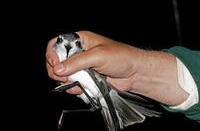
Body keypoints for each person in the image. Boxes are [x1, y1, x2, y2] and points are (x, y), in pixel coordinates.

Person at [46, 31, 200, 123]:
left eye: (76, 44)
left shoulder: (86, 59)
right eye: (61, 41)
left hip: (102, 92)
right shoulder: (62, 57)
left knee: (93, 101)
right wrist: (136, 73)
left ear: (82, 47)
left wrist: (136, 69)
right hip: (101, 92)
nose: (68, 46)